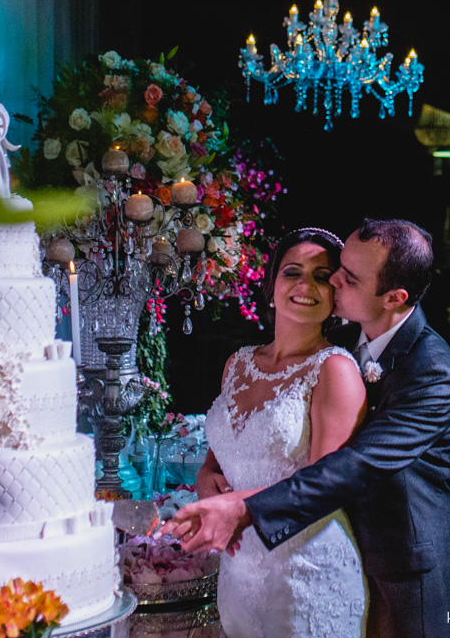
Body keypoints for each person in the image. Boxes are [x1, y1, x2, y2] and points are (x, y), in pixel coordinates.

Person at [159, 219, 450, 638]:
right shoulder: (350, 340)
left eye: (344, 276)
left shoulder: (430, 372)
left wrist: (243, 509)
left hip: (401, 565)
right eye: (336, 268)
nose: (334, 281)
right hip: (262, 557)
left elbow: (351, 467)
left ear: (394, 298)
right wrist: (206, 474)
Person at [193, 227, 369, 637]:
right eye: (293, 272)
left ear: (336, 297)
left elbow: (321, 488)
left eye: (322, 276)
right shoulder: (237, 363)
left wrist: (234, 505)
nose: (306, 285)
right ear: (271, 286)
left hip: (304, 569)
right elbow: (218, 459)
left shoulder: (334, 370)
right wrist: (204, 480)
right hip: (240, 567)